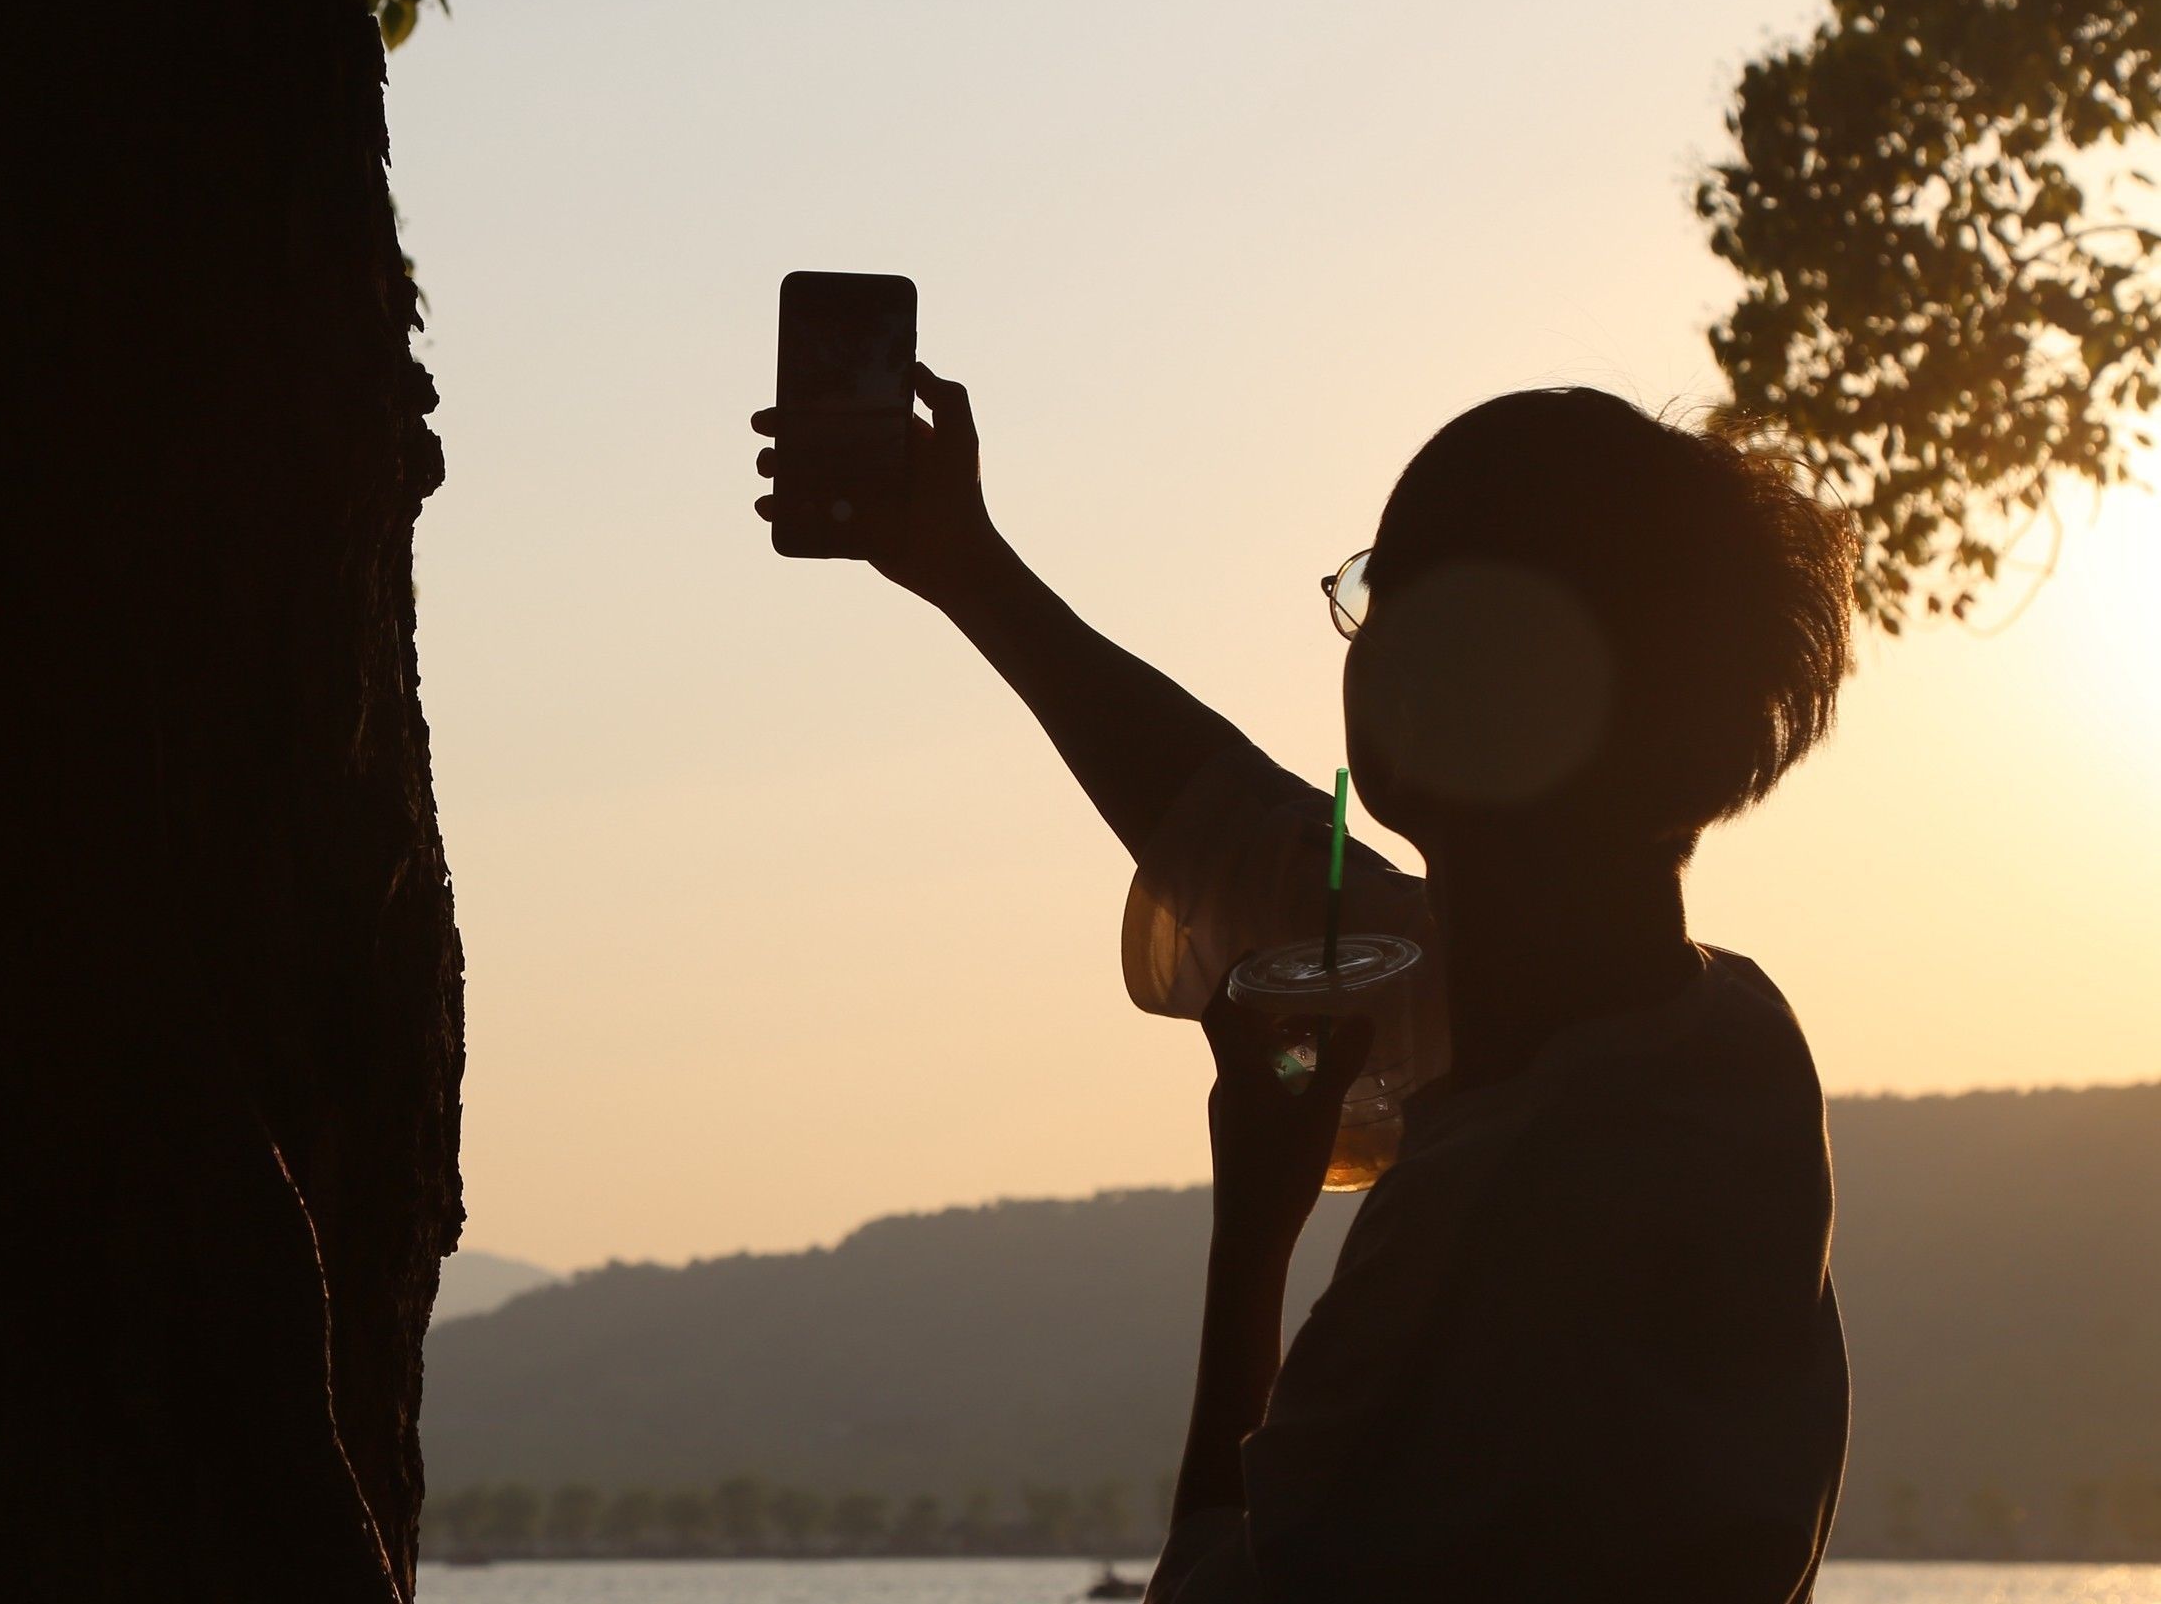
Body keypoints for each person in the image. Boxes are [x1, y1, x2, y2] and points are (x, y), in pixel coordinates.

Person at [753, 371, 1854, 1600]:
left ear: (1448, 678)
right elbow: (1257, 845)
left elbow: (1219, 1581)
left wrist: (1252, 1237)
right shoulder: (1735, 1048)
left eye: (1380, 590)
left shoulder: (1478, 1235)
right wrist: (970, 570)